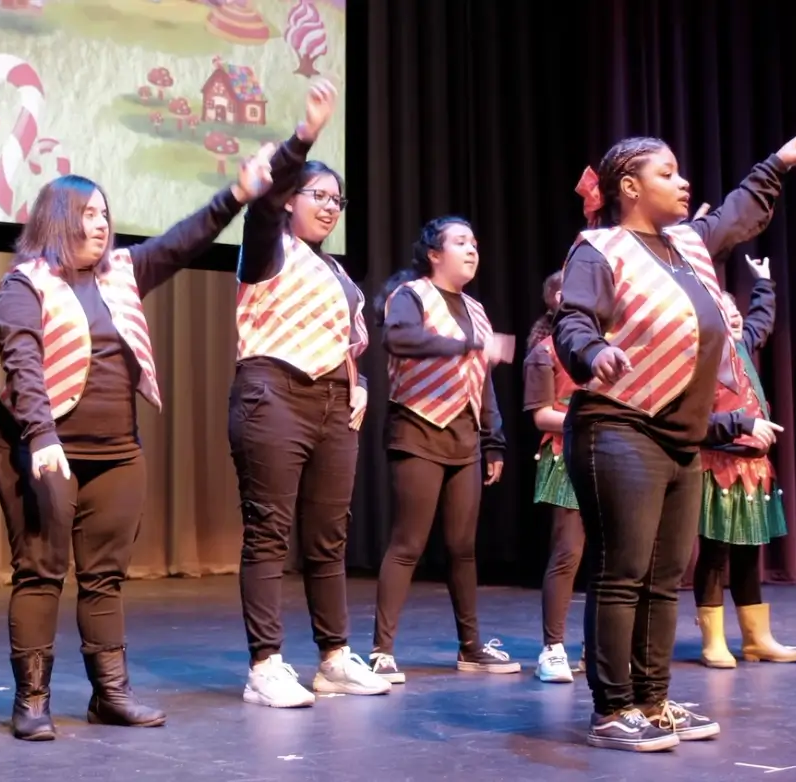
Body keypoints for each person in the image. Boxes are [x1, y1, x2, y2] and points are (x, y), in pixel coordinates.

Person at [0, 155, 274, 741]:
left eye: (105, 215)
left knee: (104, 577)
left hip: (116, 450)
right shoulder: (26, 282)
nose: (101, 225)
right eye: (88, 214)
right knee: (41, 570)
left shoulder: (122, 271)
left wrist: (237, 196)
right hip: (42, 448)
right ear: (58, 219)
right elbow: (24, 365)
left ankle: (109, 694)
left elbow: (180, 241)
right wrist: (40, 438)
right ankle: (33, 700)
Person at [552, 127, 796, 752]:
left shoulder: (688, 247)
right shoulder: (600, 249)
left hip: (679, 433)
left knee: (666, 573)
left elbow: (734, 212)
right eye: (667, 173)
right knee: (624, 571)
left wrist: (773, 165)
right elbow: (573, 320)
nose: (683, 182)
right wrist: (594, 352)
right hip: (618, 425)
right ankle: (613, 707)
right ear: (629, 186)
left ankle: (653, 697)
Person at [229, 78, 392, 707]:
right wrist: (304, 136)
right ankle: (265, 665)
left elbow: (350, 345)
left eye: (337, 200)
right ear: (291, 200)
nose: (329, 206)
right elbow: (263, 204)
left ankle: (332, 657)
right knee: (269, 531)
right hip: (272, 394)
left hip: (331, 406)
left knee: (330, 536)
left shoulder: (338, 273)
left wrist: (359, 387)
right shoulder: (269, 249)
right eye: (317, 195)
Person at [367, 216, 515, 682]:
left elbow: (483, 380)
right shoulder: (410, 296)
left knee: (462, 547)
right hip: (418, 429)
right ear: (434, 254)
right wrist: (467, 343)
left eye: (474, 241)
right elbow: (399, 338)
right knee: (408, 543)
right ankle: (381, 651)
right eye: (460, 242)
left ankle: (471, 647)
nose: (472, 249)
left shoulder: (475, 308)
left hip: (465, 436)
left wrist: (493, 441)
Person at [694, 255, 796, 668]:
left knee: (748, 552)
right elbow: (696, 421)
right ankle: (713, 640)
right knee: (716, 552)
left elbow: (763, 318)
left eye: (736, 312)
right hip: (718, 464)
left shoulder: (743, 347)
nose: (736, 318)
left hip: (753, 471)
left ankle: (756, 638)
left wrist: (766, 283)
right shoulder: (703, 359)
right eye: (726, 312)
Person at [522, 270, 584, 683]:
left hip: (612, 456)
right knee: (568, 553)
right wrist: (587, 420)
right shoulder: (544, 351)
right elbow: (542, 414)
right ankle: (553, 648)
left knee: (614, 560)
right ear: (556, 299)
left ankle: (604, 648)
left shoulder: (607, 347)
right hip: (566, 455)